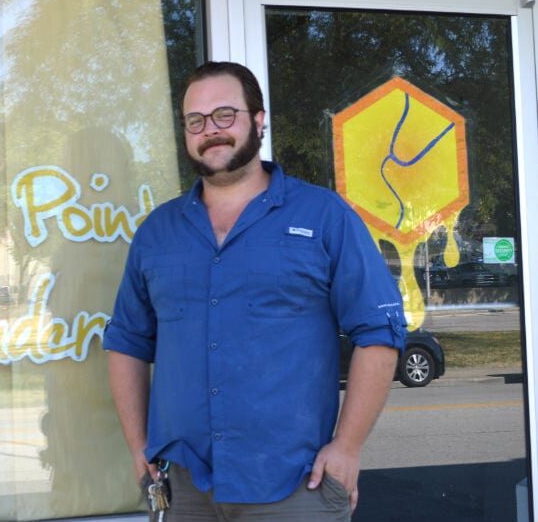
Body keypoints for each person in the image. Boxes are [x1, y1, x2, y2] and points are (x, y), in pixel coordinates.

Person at [103, 61, 405, 521]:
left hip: (295, 483)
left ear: (258, 120)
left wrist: (348, 447)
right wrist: (136, 445)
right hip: (182, 486)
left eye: (225, 115)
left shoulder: (324, 216)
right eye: (196, 121)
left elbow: (379, 333)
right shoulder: (157, 232)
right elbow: (126, 342)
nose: (211, 131)